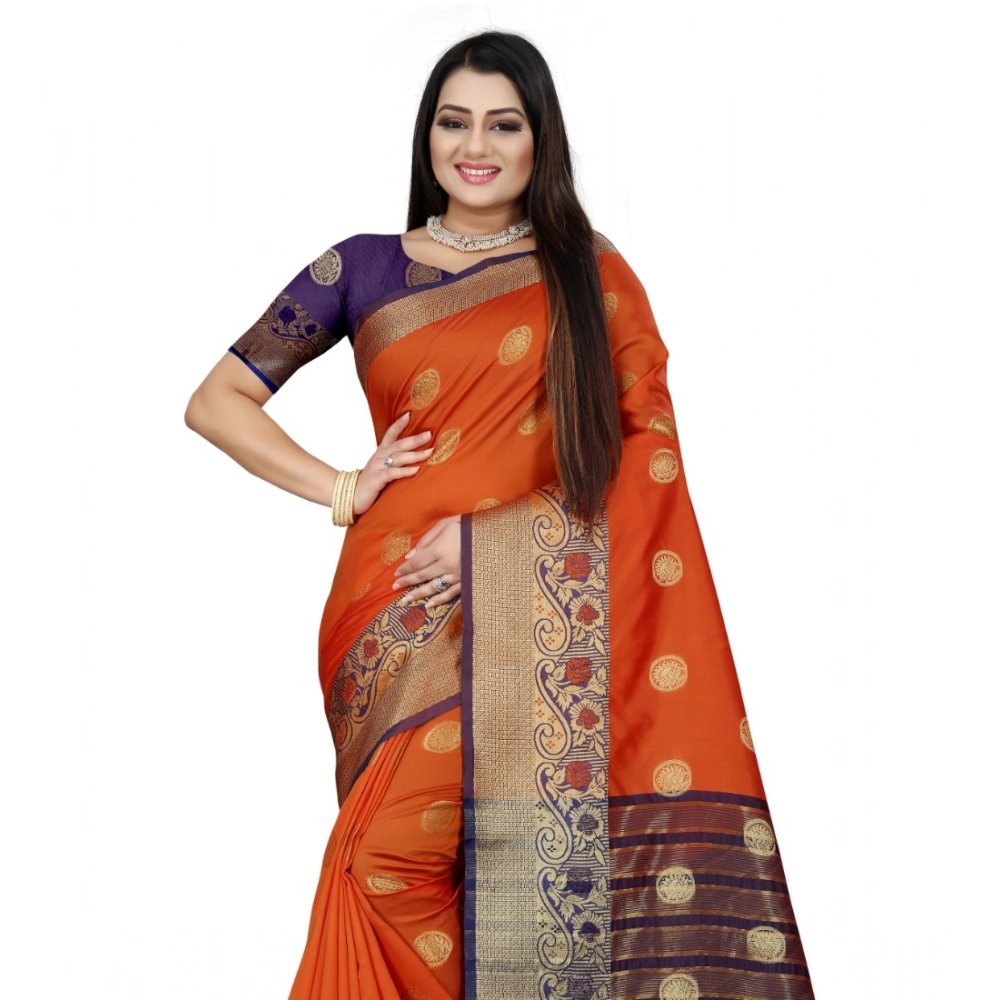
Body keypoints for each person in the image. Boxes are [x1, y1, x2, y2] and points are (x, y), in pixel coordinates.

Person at [185, 29, 815, 1000]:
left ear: (538, 140)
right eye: (454, 121)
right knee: (384, 864)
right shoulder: (359, 267)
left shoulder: (590, 273)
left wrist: (490, 546)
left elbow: (646, 449)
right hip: (393, 608)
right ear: (427, 136)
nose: (474, 145)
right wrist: (343, 486)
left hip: (532, 613)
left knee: (494, 877)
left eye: (503, 124)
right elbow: (216, 400)